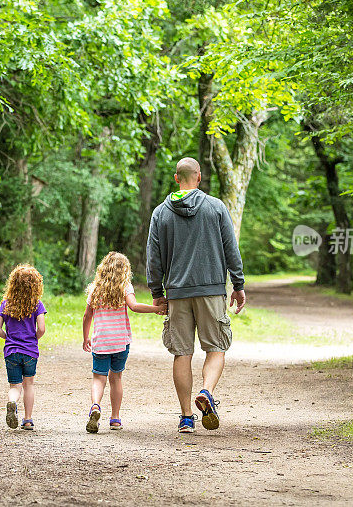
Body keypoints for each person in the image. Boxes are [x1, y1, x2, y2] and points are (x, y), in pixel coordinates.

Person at [146, 157, 246, 433]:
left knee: (182, 353)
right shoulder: (215, 207)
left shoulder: (160, 213)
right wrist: (237, 284)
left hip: (177, 293)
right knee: (216, 348)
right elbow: (231, 248)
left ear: (177, 178)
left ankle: (187, 417)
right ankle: (207, 391)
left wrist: (157, 291)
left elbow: (153, 257)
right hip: (211, 290)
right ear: (198, 178)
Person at [82, 252, 166, 433]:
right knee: (116, 378)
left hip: (101, 342)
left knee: (99, 378)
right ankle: (115, 418)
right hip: (120, 342)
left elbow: (87, 315)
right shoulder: (125, 287)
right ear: (125, 270)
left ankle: (95, 406)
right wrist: (156, 309)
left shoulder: (95, 289)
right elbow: (134, 306)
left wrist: (85, 337)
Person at [0, 264, 47, 431]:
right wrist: (33, 338)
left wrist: (8, 337)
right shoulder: (37, 305)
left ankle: (12, 402)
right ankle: (28, 419)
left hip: (11, 352)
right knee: (28, 384)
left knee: (15, 386)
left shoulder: (6, 304)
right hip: (30, 351)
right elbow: (42, 329)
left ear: (13, 284)